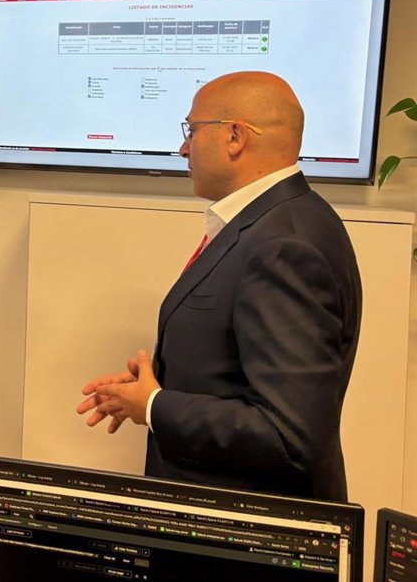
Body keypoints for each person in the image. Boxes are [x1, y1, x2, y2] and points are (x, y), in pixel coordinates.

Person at [77, 71, 361, 501]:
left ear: (234, 136)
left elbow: (288, 435)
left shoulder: (284, 246)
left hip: (252, 526)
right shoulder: (278, 220)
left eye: (191, 131)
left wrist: (155, 405)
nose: (183, 148)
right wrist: (156, 386)